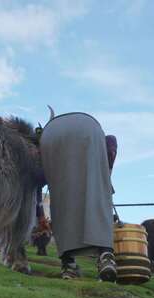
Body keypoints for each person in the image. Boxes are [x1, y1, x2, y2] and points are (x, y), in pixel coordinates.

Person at [39, 112, 117, 282]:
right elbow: (111, 142)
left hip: (49, 136)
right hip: (89, 127)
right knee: (97, 196)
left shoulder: (51, 128)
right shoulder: (104, 144)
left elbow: (38, 183)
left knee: (60, 201)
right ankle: (105, 256)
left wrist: (39, 214)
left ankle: (69, 265)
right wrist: (106, 177)